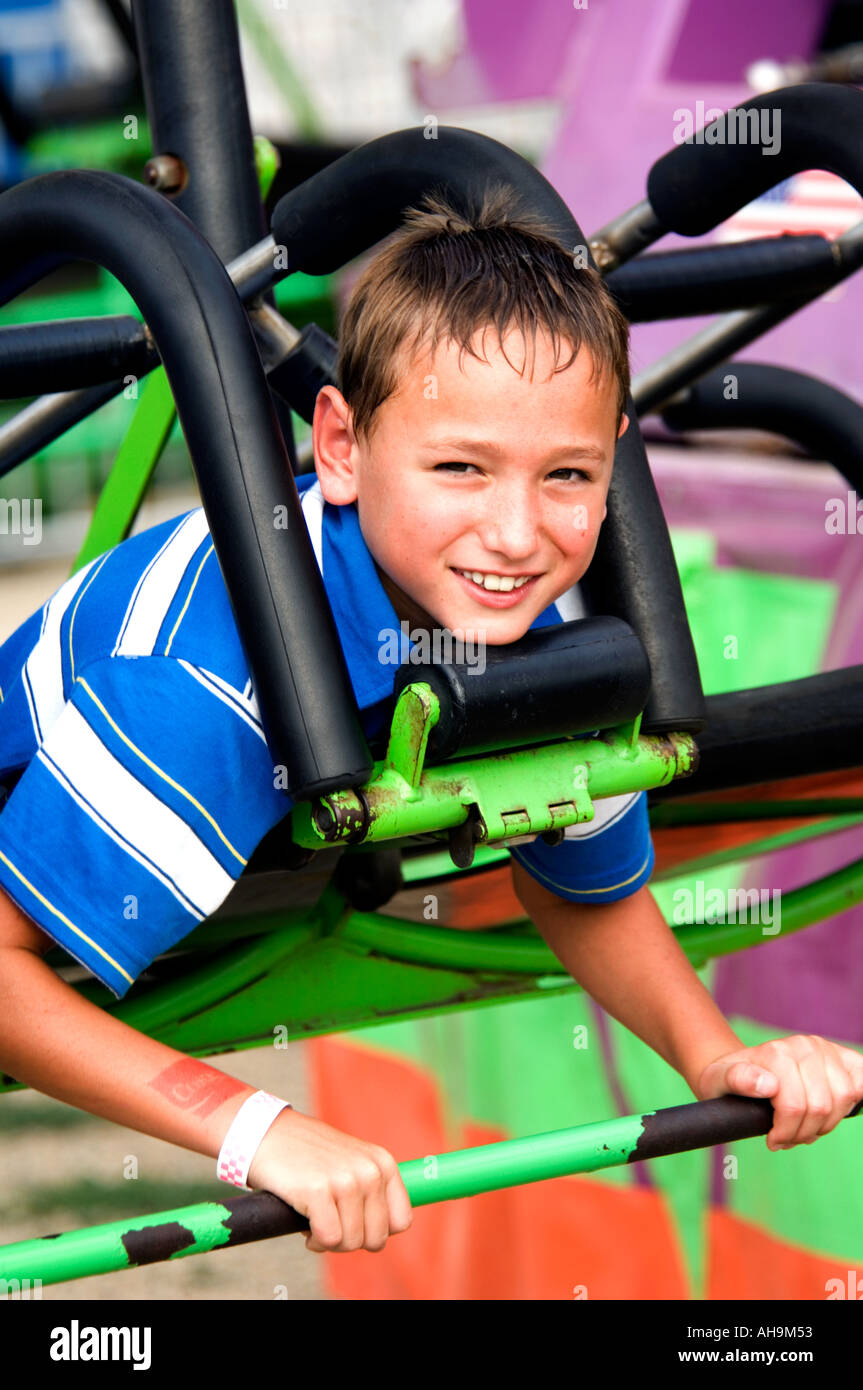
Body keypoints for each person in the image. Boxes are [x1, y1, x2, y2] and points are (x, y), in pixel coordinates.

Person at [0, 185, 861, 1261]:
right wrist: (257, 1129)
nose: (513, 533)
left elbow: (578, 880)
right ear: (342, 448)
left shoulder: (512, 617)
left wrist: (710, 1052)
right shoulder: (210, 687)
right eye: (459, 467)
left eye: (567, 476)